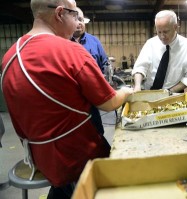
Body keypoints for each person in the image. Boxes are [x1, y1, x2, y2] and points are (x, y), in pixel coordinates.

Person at [1, 0, 133, 198]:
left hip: (39, 159)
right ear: (60, 13)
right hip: (78, 158)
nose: (77, 23)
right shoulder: (70, 51)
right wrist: (127, 92)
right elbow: (109, 103)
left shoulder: (10, 56)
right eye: (75, 16)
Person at [131, 10, 187, 93]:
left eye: (166, 32)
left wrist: (170, 91)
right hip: (149, 91)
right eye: (159, 32)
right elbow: (140, 67)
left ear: (175, 27)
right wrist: (137, 86)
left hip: (173, 93)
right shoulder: (150, 44)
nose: (162, 36)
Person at [71, 7, 108, 73]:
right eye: (75, 19)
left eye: (81, 20)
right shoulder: (63, 41)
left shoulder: (94, 41)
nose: (79, 23)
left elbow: (105, 64)